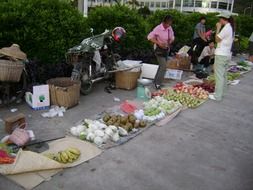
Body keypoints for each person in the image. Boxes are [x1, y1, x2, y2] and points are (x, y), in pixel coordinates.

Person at [209, 12, 234, 101]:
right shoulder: (230, 27)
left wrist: (218, 28)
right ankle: (222, 92)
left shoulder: (226, 28)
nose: (219, 20)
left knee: (219, 76)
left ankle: (217, 96)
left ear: (223, 19)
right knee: (223, 75)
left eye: (220, 18)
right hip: (226, 54)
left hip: (221, 54)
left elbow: (217, 39)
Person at [147, 15, 175, 89]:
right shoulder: (158, 28)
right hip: (159, 50)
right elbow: (149, 37)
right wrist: (159, 43)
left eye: (170, 24)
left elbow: (172, 36)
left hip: (166, 50)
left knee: (161, 66)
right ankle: (158, 84)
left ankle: (156, 81)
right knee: (164, 66)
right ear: (163, 22)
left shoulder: (169, 28)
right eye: (167, 24)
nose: (168, 25)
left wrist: (171, 41)